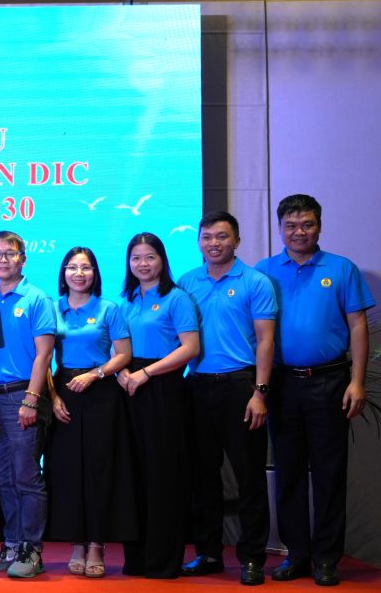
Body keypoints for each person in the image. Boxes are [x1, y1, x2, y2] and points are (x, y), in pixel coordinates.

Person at [256, 194, 374, 586]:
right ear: (280, 228)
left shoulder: (341, 269)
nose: (299, 232)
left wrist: (357, 382)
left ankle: (326, 558)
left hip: (330, 382)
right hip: (282, 385)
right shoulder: (265, 271)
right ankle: (297, 555)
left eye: (306, 224)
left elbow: (357, 326)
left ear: (319, 225)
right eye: (291, 225)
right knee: (288, 472)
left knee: (328, 473)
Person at [177, 210, 277, 586]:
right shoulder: (186, 283)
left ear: (237, 240)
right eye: (207, 237)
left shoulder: (256, 281)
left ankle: (252, 558)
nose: (214, 243)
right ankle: (208, 552)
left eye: (222, 237)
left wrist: (260, 392)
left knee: (249, 476)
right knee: (203, 477)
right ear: (199, 241)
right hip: (198, 386)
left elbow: (266, 340)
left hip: (241, 387)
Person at [45, 247, 134, 579]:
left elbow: (124, 354)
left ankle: (97, 543)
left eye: (85, 268)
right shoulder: (53, 309)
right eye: (72, 267)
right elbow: (44, 359)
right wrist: (53, 398)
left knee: (99, 469)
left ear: (95, 273)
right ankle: (76, 543)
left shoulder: (109, 308)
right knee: (67, 470)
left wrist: (96, 374)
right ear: (63, 273)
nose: (78, 273)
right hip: (63, 389)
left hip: (101, 392)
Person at [115, 232, 200, 579]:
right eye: (136, 258)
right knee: (134, 476)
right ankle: (137, 558)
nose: (143, 264)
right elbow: (117, 345)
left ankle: (163, 561)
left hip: (163, 389)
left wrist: (145, 373)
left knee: (163, 476)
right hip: (128, 389)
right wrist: (121, 370)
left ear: (162, 260)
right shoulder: (127, 300)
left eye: (150, 257)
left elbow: (190, 347)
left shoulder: (176, 298)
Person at [0, 230, 55, 579]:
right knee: (4, 477)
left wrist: (31, 399)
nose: (2, 260)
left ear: (23, 258)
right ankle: (11, 546)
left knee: (27, 477)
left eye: (9, 254)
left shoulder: (37, 298)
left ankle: (32, 550)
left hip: (24, 396)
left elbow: (44, 355)